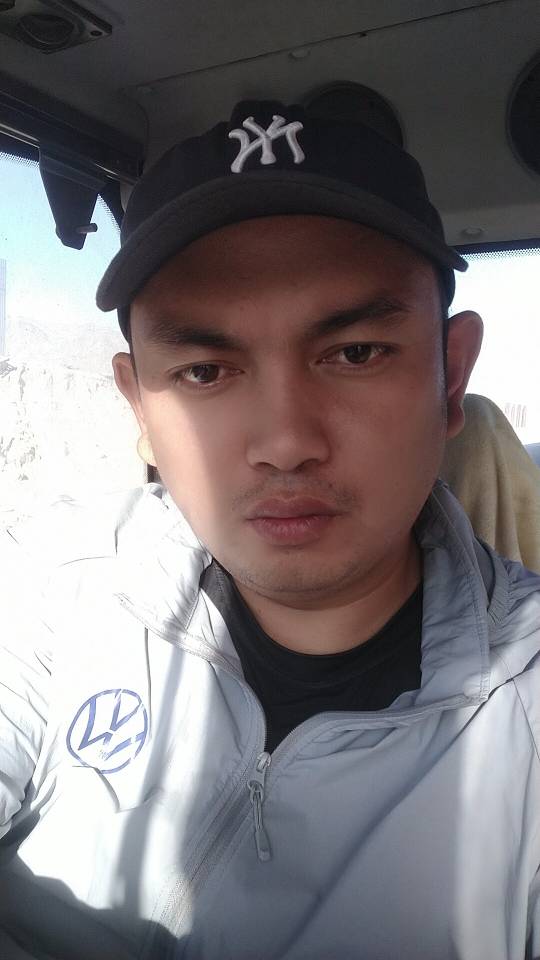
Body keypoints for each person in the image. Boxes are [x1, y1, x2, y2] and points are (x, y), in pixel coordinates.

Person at [0, 99, 539, 960]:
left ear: (450, 381)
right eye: (204, 370)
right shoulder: (53, 584)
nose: (286, 442)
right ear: (140, 409)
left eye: (355, 353)